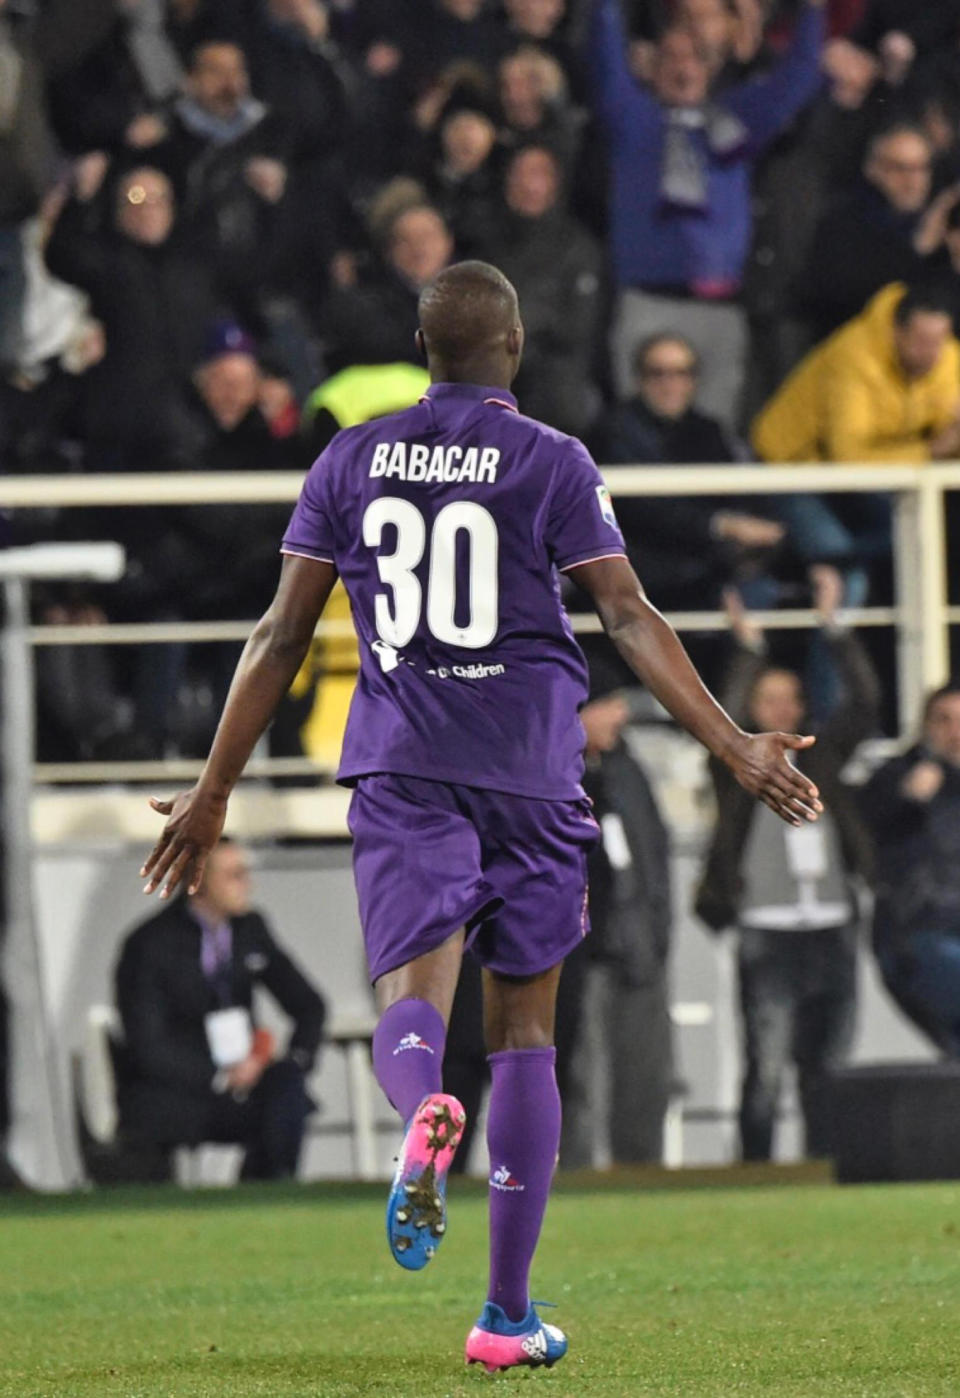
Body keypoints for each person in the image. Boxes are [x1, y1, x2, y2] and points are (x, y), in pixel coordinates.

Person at [138, 260, 822, 1373]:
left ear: (423, 346)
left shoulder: (350, 457)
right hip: (534, 773)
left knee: (415, 999)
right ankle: (505, 1318)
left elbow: (276, 634)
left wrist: (215, 790)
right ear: (513, 346)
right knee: (524, 1037)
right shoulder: (553, 459)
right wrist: (732, 741)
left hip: (406, 766)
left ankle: (422, 1112)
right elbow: (628, 614)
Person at [696, 568, 878, 1160]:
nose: (778, 707)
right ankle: (757, 1175)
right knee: (766, 1068)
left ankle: (826, 1172)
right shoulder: (737, 771)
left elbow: (866, 704)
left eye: (787, 698)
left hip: (831, 925)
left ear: (801, 707)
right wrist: (746, 648)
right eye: (765, 698)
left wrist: (835, 627)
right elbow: (717, 719)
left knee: (828, 1066)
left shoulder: (820, 762)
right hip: (766, 931)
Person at [588, 0, 826, 425]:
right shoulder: (633, 117)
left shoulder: (736, 121)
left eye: (694, 57)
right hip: (645, 300)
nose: (682, 67)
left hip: (719, 309)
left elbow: (800, 77)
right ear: (651, 67)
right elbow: (605, 56)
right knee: (638, 433)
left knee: (714, 436)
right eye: (670, 57)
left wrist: (811, 10)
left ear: (711, 67)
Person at [116, 838, 326, 1180]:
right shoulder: (150, 945)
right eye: (235, 875)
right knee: (149, 1111)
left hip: (244, 1079)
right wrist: (219, 1075)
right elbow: (147, 1044)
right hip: (181, 1089)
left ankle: (271, 1193)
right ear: (198, 881)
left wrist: (292, 1060)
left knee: (287, 1089)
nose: (248, 885)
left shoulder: (250, 930)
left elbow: (308, 1005)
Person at [752, 283, 960, 604]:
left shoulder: (947, 359)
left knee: (929, 543)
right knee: (843, 577)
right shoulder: (854, 357)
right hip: (791, 470)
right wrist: (932, 450)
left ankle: (790, 559)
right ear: (896, 331)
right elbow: (848, 458)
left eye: (938, 342)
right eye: (920, 342)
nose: (931, 353)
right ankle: (783, 564)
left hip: (870, 476)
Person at [598, 332, 783, 611]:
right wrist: (722, 526)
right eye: (657, 373)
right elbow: (643, 513)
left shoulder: (708, 430)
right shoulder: (611, 434)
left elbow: (737, 493)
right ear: (638, 378)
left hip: (712, 563)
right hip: (646, 572)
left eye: (681, 373)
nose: (670, 384)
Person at [861, 682, 960, 1054]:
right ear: (926, 726)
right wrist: (908, 798)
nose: (955, 732)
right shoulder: (901, 776)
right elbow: (865, 826)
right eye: (944, 720)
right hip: (921, 936)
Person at [796, 124, 936, 341]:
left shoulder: (934, 221)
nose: (913, 181)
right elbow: (846, 298)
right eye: (901, 168)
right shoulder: (843, 223)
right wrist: (916, 249)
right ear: (873, 169)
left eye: (922, 168)